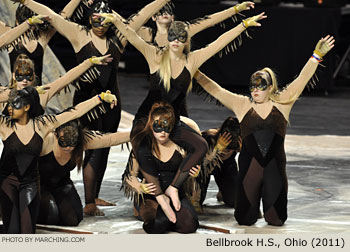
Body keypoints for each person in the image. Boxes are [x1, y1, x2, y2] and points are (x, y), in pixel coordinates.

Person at [96, 11, 266, 212]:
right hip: (147, 117)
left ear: (186, 41)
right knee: (141, 145)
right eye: (172, 37)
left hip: (173, 119)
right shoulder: (156, 55)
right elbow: (133, 36)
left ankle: (174, 188)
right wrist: (116, 20)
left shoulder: (191, 60)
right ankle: (157, 195)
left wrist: (243, 25)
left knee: (201, 145)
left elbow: (218, 44)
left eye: (180, 37)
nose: (175, 41)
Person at [19, 0, 173, 214]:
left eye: (105, 19)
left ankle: (94, 196)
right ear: (89, 18)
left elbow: (142, 15)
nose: (101, 24)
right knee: (89, 148)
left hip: (112, 103)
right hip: (86, 102)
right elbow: (52, 16)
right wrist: (26, 1)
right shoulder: (79, 34)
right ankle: (88, 202)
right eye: (96, 19)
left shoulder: (118, 37)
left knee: (103, 149)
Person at [193, 35, 335, 226]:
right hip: (249, 167)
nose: (255, 90)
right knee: (244, 219)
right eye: (252, 86)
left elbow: (302, 79)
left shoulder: (283, 101)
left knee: (276, 220)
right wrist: (193, 70)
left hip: (274, 168)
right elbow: (216, 90)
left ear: (270, 87)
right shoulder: (242, 104)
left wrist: (316, 56)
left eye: (260, 86)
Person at [0, 86, 117, 233]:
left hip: (30, 184)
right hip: (7, 182)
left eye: (14, 104)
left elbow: (75, 112)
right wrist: (10, 95)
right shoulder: (4, 125)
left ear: (27, 107)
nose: (9, 108)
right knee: (11, 231)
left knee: (27, 233)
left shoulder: (43, 125)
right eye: (9, 104)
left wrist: (99, 98)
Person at [38, 119, 129, 225]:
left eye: (73, 143)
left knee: (73, 220)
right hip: (38, 185)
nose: (68, 147)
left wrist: (141, 132)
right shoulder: (46, 141)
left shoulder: (82, 141)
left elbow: (109, 139)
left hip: (61, 184)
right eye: (63, 142)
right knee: (50, 215)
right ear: (55, 135)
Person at [130, 102, 199, 233]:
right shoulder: (143, 147)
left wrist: (195, 174)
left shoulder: (181, 147)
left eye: (166, 127)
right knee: (158, 225)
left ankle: (171, 218)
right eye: (158, 126)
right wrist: (139, 187)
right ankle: (162, 216)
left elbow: (191, 167)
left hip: (176, 194)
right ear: (151, 125)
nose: (162, 131)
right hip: (150, 196)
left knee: (189, 225)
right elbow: (129, 175)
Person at [2, 0, 87, 85]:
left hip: (37, 93)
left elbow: (62, 18)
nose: (29, 29)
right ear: (18, 22)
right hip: (17, 92)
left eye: (33, 26)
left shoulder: (41, 38)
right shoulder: (10, 36)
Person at [1, 53, 112, 112]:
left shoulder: (43, 93)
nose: (24, 80)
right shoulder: (4, 96)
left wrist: (89, 62)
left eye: (28, 76)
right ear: (14, 76)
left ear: (34, 76)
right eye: (20, 76)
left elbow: (66, 79)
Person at [191, 117, 241, 211]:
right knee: (195, 204)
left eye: (229, 150)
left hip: (225, 167)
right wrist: (217, 150)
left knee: (234, 201)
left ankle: (223, 190)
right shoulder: (206, 139)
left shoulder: (238, 144)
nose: (225, 153)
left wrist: (244, 153)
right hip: (204, 168)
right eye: (224, 149)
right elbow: (197, 169)